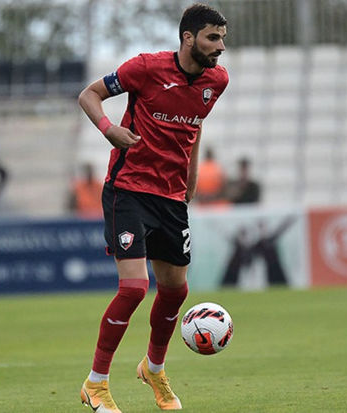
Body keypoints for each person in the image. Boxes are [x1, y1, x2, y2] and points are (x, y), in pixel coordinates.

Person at [77, 4, 228, 412]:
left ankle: (154, 369)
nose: (220, 47)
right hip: (128, 189)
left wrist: (191, 178)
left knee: (176, 289)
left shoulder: (217, 80)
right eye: (213, 38)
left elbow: (195, 124)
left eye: (222, 39)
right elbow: (89, 95)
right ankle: (96, 384)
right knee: (133, 288)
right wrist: (109, 130)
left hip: (171, 196)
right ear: (188, 38)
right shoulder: (145, 68)